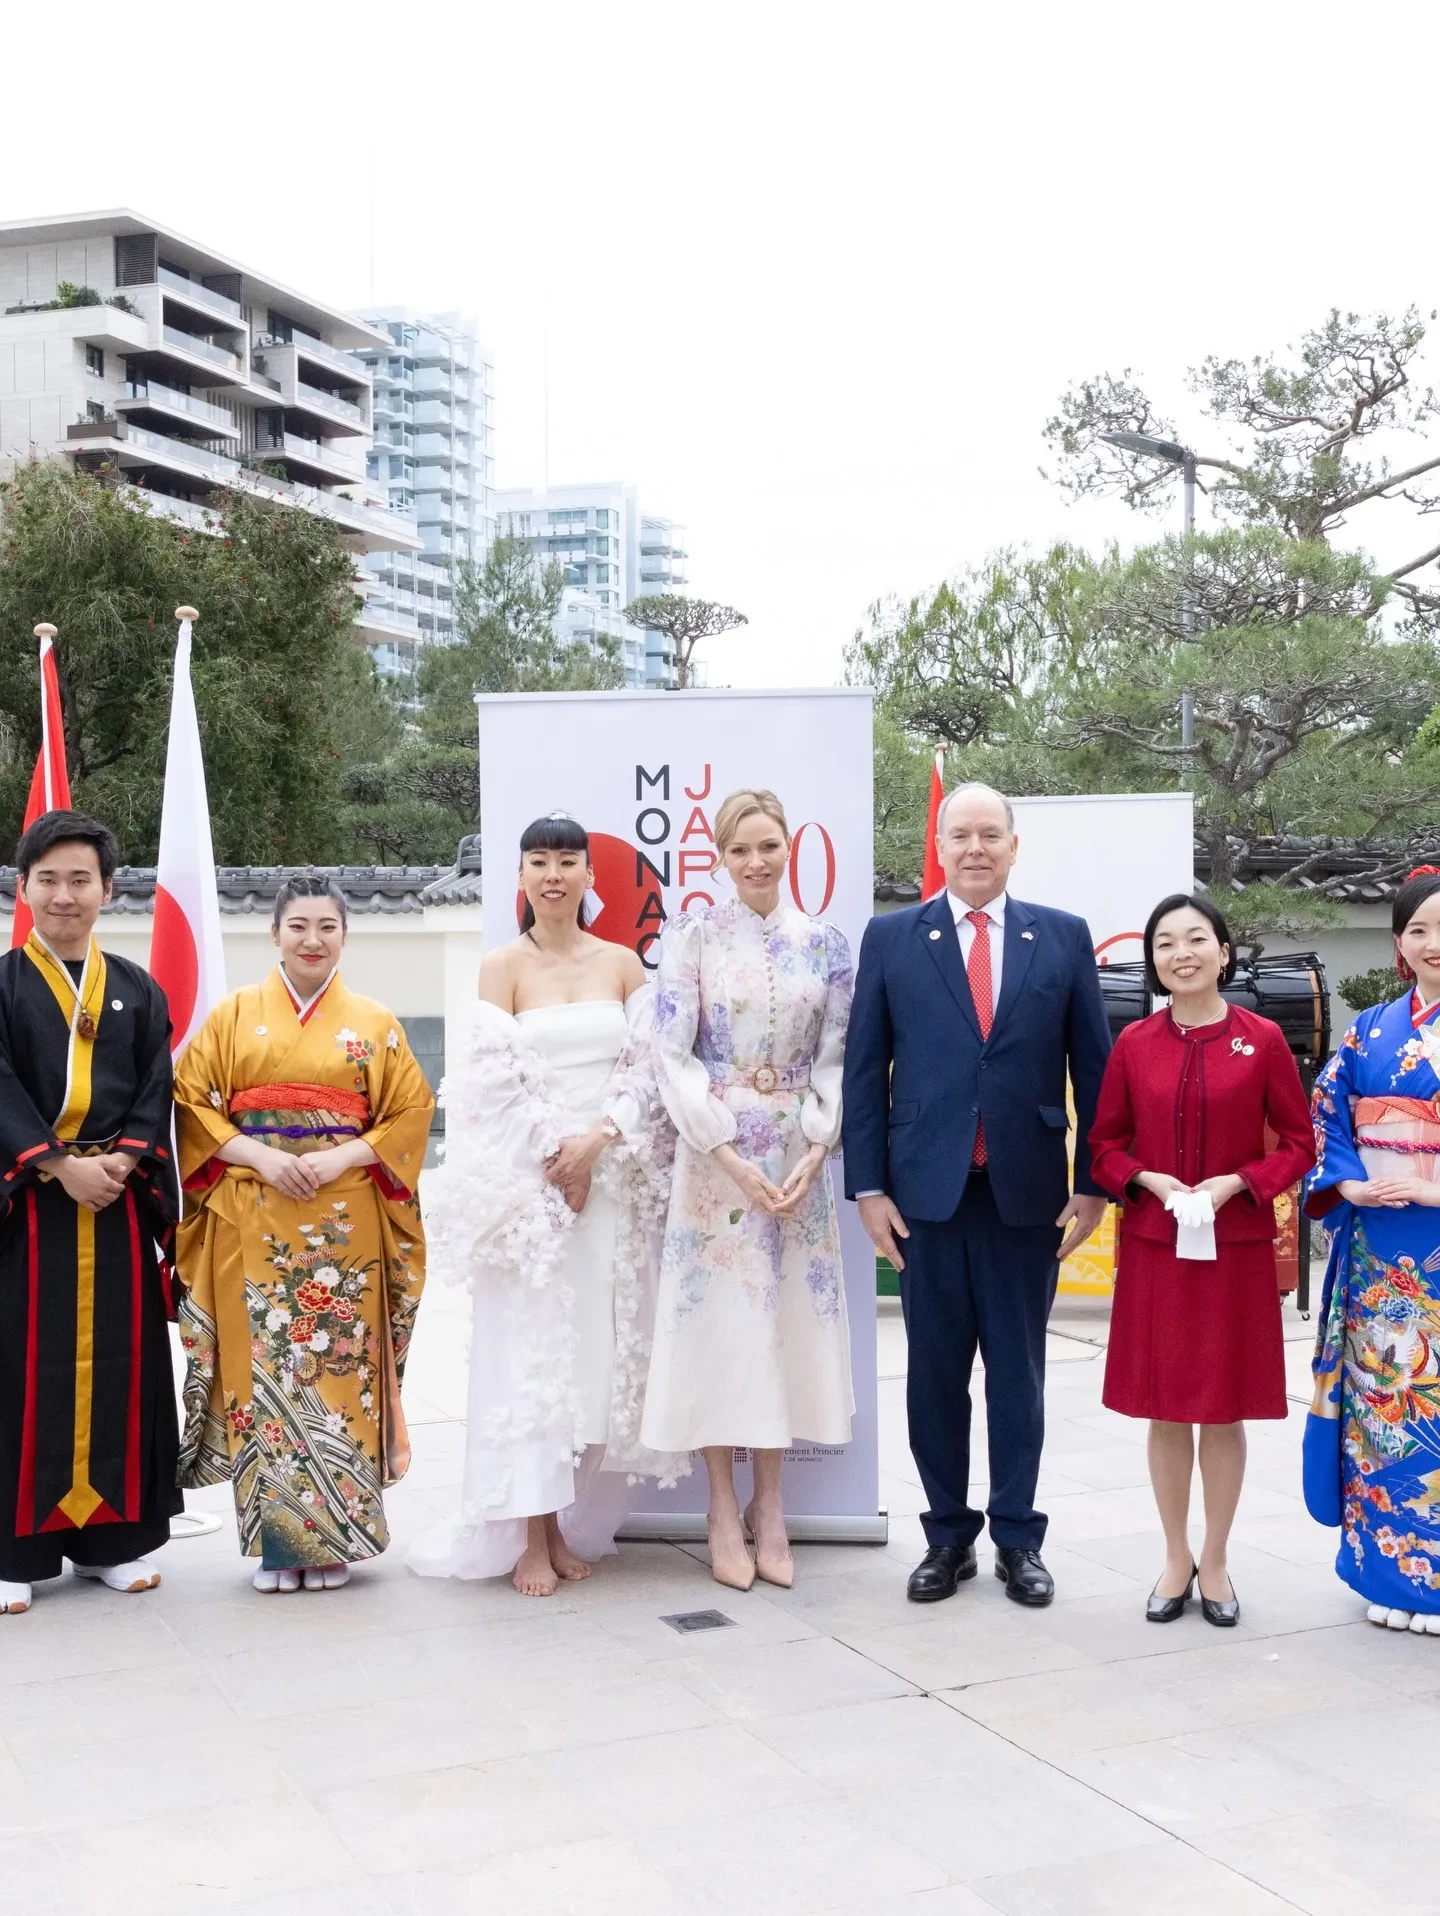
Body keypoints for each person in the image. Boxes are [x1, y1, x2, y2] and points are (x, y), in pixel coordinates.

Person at [844, 782, 1110, 1607]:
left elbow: (1095, 1068)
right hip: (924, 1196)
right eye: (959, 834)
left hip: (1026, 1196)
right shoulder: (893, 937)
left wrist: (1094, 1183)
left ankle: (1019, 1539)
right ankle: (947, 1536)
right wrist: (867, 1187)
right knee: (933, 1376)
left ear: (1013, 846)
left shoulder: (1061, 936)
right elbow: (864, 1071)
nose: (975, 848)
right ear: (938, 844)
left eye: (990, 834)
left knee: (1018, 1376)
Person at [409, 813, 685, 1598]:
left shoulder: (623, 964)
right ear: (522, 876)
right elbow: (493, 1082)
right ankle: (532, 1536)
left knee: (591, 1364)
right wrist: (558, 1161)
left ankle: (566, 1522)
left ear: (590, 875)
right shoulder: (501, 968)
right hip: (532, 1197)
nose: (554, 874)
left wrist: (597, 1144)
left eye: (568, 861)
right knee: (533, 1361)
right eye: (539, 861)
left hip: (609, 1187)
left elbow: (648, 1072)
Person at [174, 876, 432, 1593]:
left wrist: (340, 1157)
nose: (312, 940)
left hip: (343, 1223)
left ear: (344, 935)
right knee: (258, 1377)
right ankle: (277, 1547)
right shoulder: (233, 1016)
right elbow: (191, 1102)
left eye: (327, 927)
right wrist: (261, 1157)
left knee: (340, 1373)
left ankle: (334, 1541)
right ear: (275, 934)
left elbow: (409, 1112)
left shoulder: (374, 1022)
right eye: (298, 926)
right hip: (252, 1214)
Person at [640, 789, 854, 1592]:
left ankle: (773, 1504)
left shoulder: (827, 945)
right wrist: (725, 1152)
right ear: (720, 857)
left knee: (782, 1326)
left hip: (797, 1159)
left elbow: (837, 1055)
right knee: (719, 1329)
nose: (755, 862)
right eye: (740, 850)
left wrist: (819, 1147)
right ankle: (722, 1508)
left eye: (768, 846)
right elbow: (671, 1055)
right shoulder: (692, 937)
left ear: (789, 846)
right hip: (715, 1159)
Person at [1089, 893, 1314, 1627]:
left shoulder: (1262, 1040)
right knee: (1164, 1408)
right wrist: (1148, 1180)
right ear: (1152, 961)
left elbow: (1298, 1144)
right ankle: (1174, 1556)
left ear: (1224, 952)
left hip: (1233, 1250)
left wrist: (1237, 1183)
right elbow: (1104, 1145)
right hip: (1156, 1247)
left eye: (1195, 939)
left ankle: (1214, 1560)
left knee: (1221, 1409)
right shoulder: (1134, 1044)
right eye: (1165, 943)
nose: (1180, 954)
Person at [0, 809, 180, 1617]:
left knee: (122, 1365)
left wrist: (125, 1161)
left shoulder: (138, 989)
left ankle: (113, 1543)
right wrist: (56, 1165)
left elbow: (156, 1086)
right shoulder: (2, 986)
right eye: (48, 879)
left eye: (81, 879)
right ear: (23, 888)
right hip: (27, 1216)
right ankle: (14, 1553)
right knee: (17, 1372)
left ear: (108, 889)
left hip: (115, 1206)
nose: (64, 895)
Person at [1304, 865, 1440, 1635]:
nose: (1433, 943)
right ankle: (1387, 1571)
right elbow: (1327, 1115)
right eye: (1419, 929)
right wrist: (1350, 1184)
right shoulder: (1369, 1032)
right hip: (1382, 1250)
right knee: (1384, 1406)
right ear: (1398, 943)